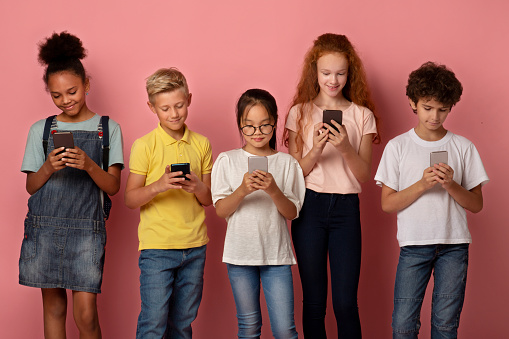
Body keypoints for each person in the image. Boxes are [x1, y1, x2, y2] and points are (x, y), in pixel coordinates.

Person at [19, 31, 124, 338]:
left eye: (72, 91)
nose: (66, 100)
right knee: (53, 309)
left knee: (86, 315)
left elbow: (113, 186)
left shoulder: (108, 129)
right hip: (44, 228)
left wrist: (89, 164)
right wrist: (49, 166)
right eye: (57, 95)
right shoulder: (41, 130)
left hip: (86, 231)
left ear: (86, 85)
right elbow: (31, 186)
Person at [374, 62, 489, 338]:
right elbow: (387, 204)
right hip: (414, 246)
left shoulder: (463, 147)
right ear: (413, 103)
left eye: (443, 109)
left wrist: (451, 185)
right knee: (403, 325)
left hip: (454, 246)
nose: (435, 116)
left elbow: (476, 204)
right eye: (427, 107)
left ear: (451, 106)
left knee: (446, 326)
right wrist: (423, 184)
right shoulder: (398, 147)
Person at [283, 33, 380, 338]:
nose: (333, 80)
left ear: (350, 74)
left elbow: (364, 174)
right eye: (326, 73)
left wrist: (345, 146)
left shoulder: (362, 116)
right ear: (315, 73)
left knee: (345, 303)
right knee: (313, 302)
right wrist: (315, 149)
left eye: (340, 73)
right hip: (309, 207)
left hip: (346, 210)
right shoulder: (299, 113)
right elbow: (294, 174)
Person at [124, 68, 212, 339]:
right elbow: (130, 198)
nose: (174, 114)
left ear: (189, 99)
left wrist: (197, 186)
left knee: (182, 324)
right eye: (165, 108)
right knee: (153, 321)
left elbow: (209, 199)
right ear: (151, 107)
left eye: (179, 105)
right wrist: (160, 185)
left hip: (195, 247)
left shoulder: (202, 143)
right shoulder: (145, 145)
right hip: (157, 248)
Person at [211, 89, 305, 338]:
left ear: (275, 123)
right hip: (240, 257)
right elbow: (221, 210)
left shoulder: (287, 164)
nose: (257, 133)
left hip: (277, 257)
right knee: (249, 327)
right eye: (249, 127)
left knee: (285, 330)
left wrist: (273, 190)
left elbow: (292, 213)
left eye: (265, 126)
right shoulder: (227, 160)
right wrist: (242, 190)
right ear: (240, 125)